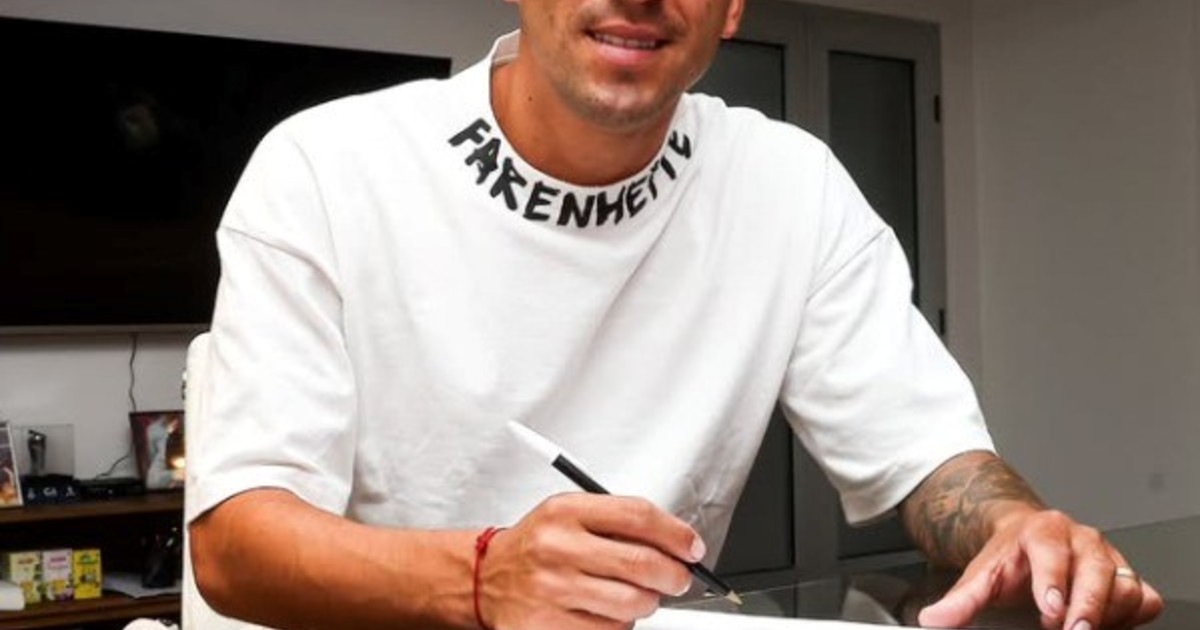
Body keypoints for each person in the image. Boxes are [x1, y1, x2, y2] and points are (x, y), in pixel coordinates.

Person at [188, 1, 1164, 629]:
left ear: (731, 7)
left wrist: (1016, 528)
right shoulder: (327, 168)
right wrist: (484, 578)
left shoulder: (790, 185)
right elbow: (234, 541)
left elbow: (927, 458)